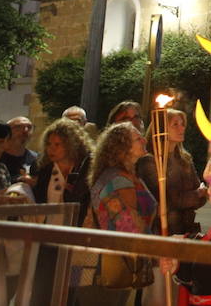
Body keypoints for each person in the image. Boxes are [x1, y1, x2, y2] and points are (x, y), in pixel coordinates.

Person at [73, 122, 156, 306]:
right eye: (137, 138)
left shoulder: (128, 176)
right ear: (121, 148)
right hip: (100, 271)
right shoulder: (115, 179)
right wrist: (160, 247)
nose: (144, 139)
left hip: (121, 266)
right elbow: (129, 227)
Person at [28, 118, 94, 306]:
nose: (51, 149)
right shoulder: (46, 170)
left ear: (71, 144)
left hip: (75, 241)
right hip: (48, 239)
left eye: (58, 144)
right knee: (43, 288)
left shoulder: (84, 170)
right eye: (49, 144)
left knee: (70, 290)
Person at [136, 108, 207, 236]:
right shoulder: (149, 162)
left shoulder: (185, 159)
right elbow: (168, 201)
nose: (182, 128)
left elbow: (202, 199)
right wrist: (196, 194)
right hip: (163, 232)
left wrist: (193, 196)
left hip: (188, 231)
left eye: (182, 124)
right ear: (162, 128)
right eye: (175, 124)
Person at [0, 116, 38, 182]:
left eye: (29, 127)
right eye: (19, 127)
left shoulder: (36, 159)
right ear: (7, 131)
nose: (25, 130)